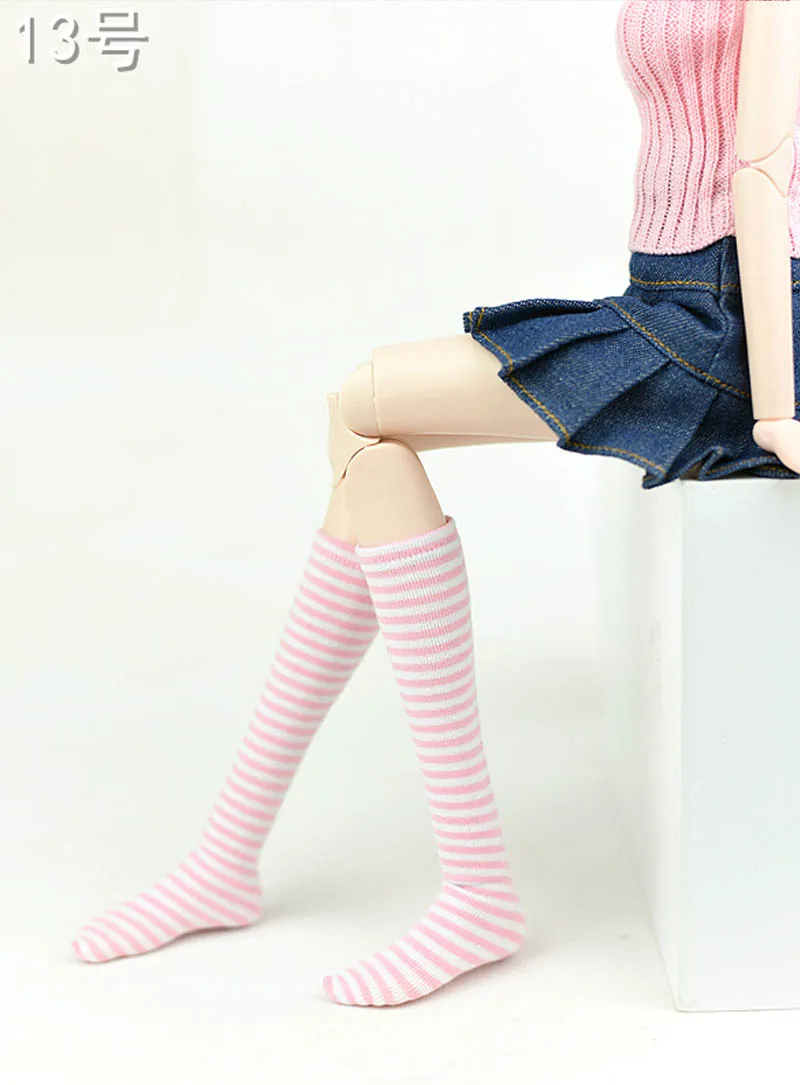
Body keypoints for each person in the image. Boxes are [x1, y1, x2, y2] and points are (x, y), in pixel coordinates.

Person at [71, 0, 800, 1006]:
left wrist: (779, 408)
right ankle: (239, 860)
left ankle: (421, 880)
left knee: (361, 407)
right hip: (668, 299)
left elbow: (762, 172)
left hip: (728, 325)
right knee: (365, 449)